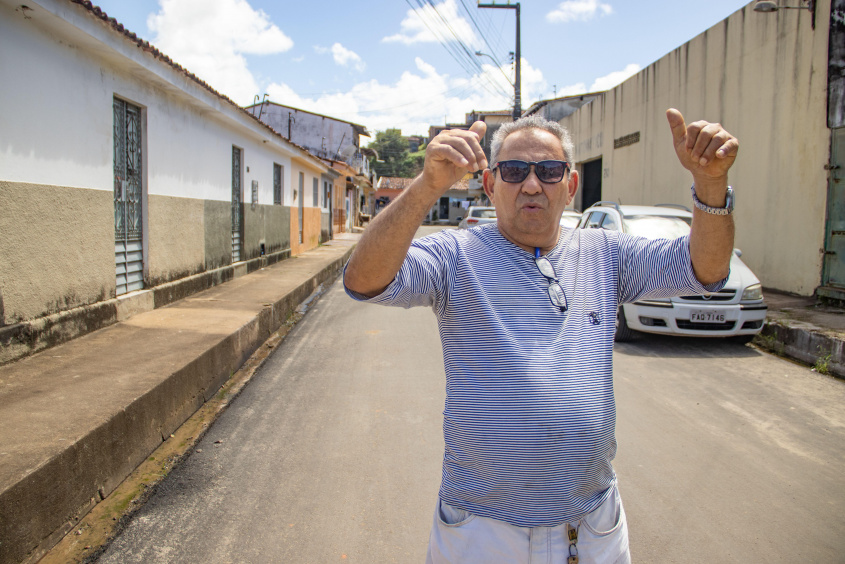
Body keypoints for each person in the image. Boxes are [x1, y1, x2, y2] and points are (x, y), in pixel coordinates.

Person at [343, 109, 738, 563]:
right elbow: (364, 280)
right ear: (491, 185)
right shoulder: (455, 255)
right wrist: (428, 185)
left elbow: (704, 269)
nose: (532, 185)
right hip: (481, 531)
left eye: (549, 171)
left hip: (590, 526)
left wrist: (710, 186)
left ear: (569, 187)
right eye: (514, 171)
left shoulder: (605, 253)